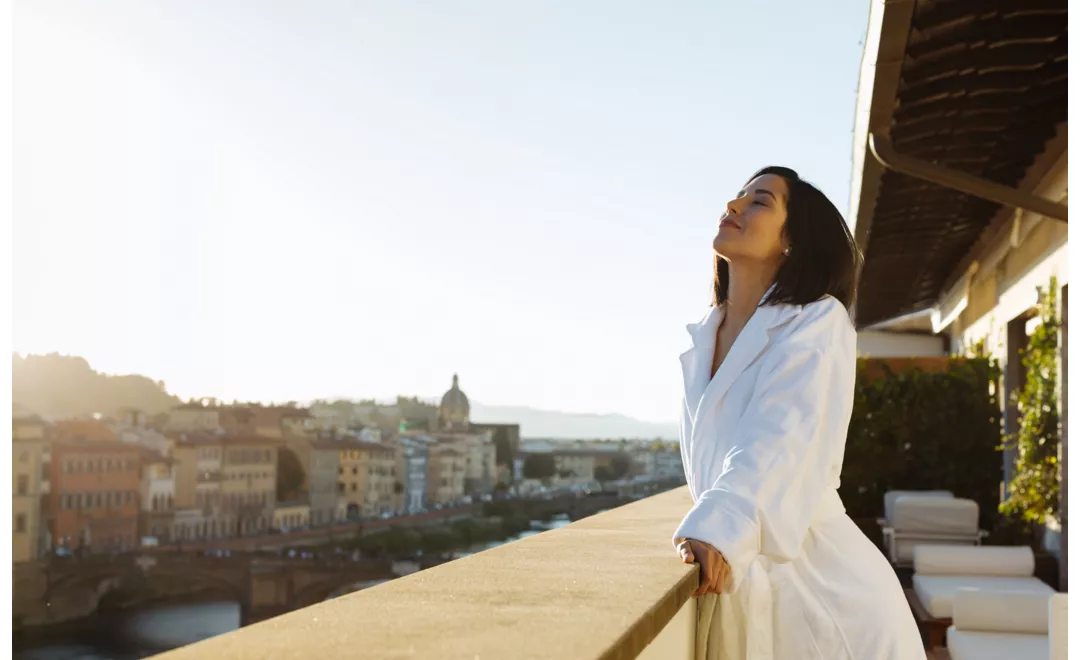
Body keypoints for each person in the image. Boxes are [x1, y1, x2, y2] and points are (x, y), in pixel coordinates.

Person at [672, 167, 924, 658]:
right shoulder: (706, 338)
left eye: (759, 201)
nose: (734, 206)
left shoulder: (817, 321)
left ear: (792, 240)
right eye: (738, 197)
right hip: (741, 586)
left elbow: (779, 439)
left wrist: (718, 525)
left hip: (826, 598)